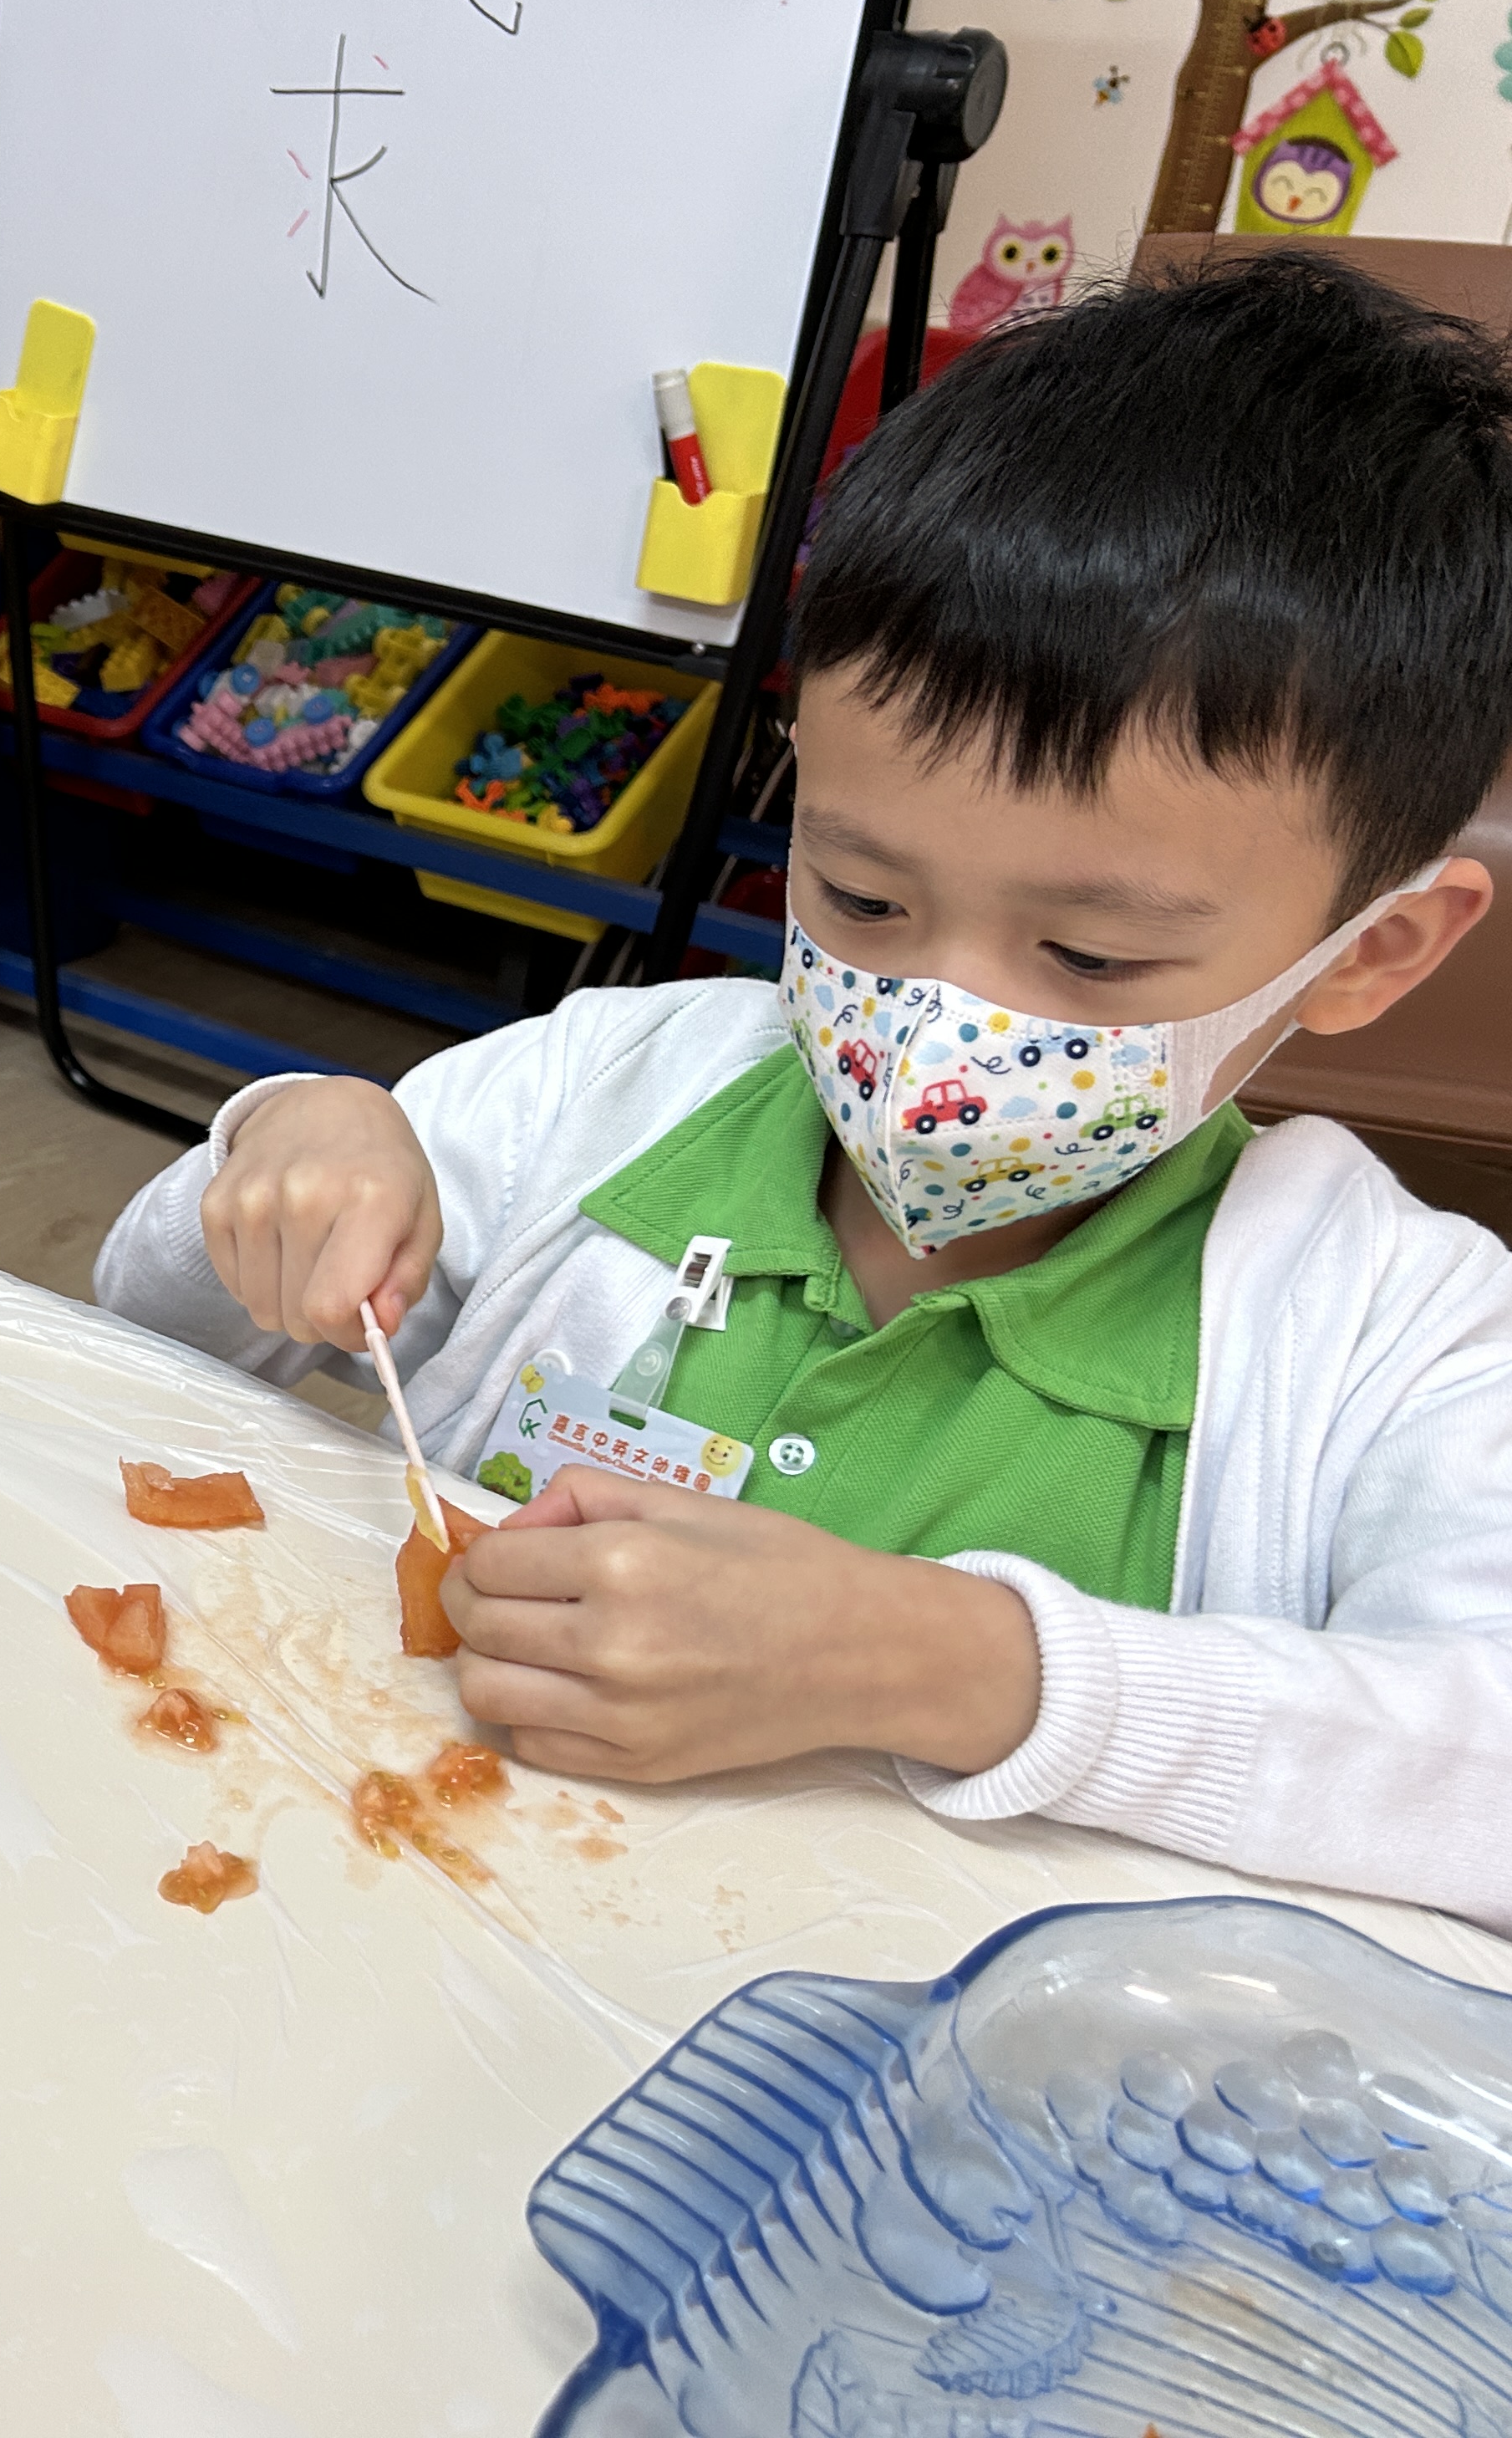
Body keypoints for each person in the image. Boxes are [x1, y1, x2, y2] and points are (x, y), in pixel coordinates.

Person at [97, 247, 1512, 1926]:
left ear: (1370, 952)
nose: (937, 1029)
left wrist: (955, 1664)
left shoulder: (1394, 1337)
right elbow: (151, 1329)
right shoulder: (610, 1089)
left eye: (1091, 958)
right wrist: (282, 1145)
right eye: (860, 898)